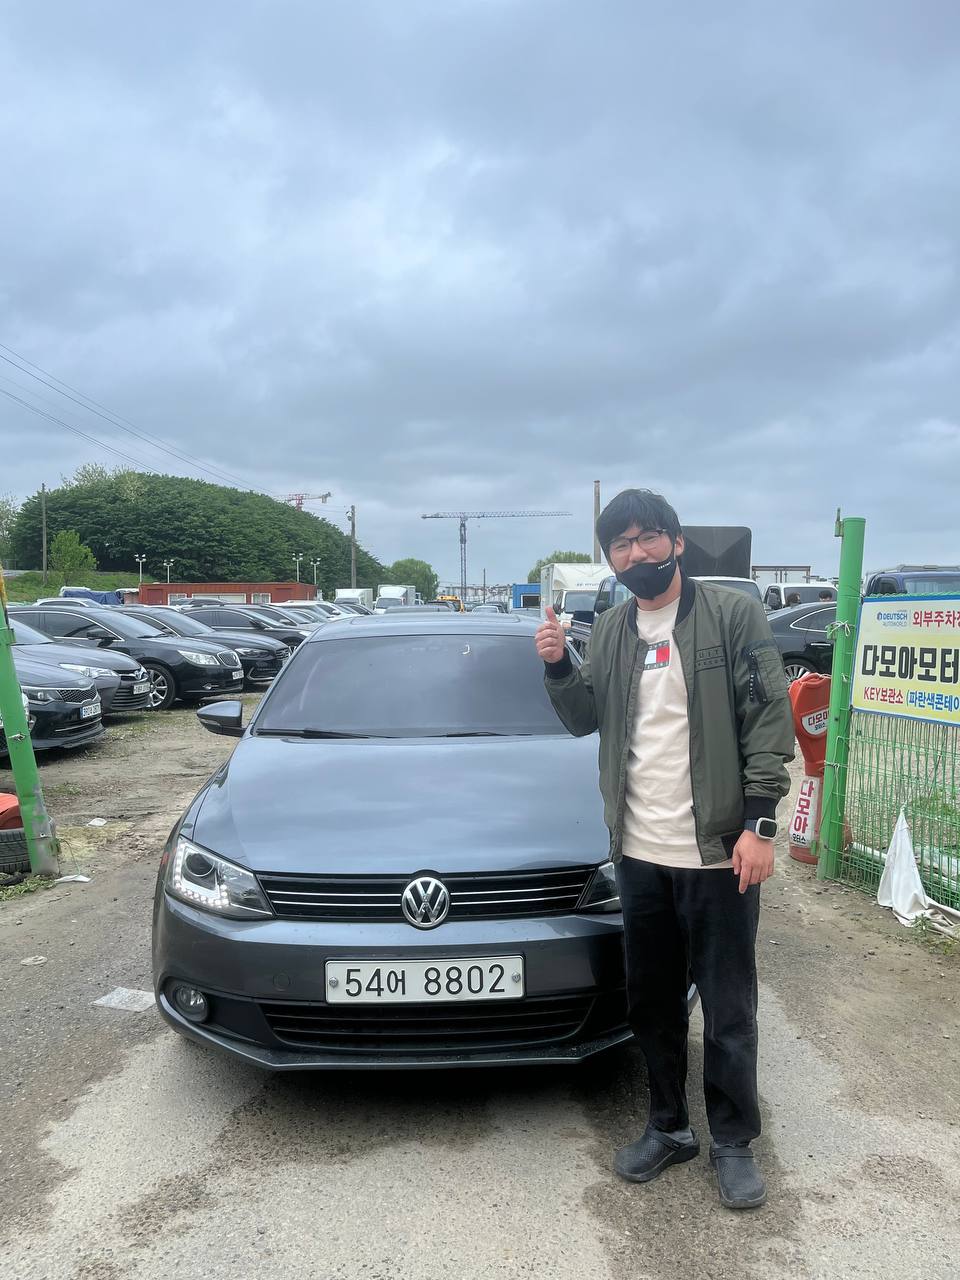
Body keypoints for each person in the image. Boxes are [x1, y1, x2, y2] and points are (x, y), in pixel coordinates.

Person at [535, 489, 793, 1210]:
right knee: (652, 1004)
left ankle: (734, 1141)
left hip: (718, 854)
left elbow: (767, 716)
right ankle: (670, 1127)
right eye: (620, 545)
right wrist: (557, 666)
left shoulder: (731, 615)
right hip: (640, 855)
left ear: (677, 543)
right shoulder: (611, 629)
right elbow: (583, 717)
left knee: (729, 1007)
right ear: (610, 560)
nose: (636, 553)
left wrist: (760, 824)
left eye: (648, 538)